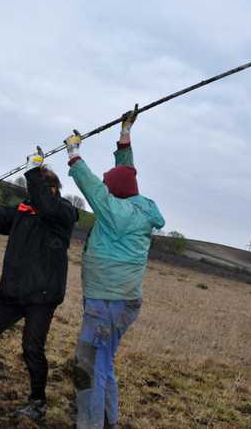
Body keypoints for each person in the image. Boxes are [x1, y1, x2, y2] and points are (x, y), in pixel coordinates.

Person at [0, 150, 79, 422]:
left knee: (32, 348)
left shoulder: (64, 213)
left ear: (53, 190)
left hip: (42, 297)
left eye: (40, 189)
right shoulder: (24, 211)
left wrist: (33, 171)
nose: (34, 194)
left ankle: (38, 402)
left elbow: (47, 206)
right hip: (12, 293)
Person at [63, 105, 165, 429]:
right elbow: (126, 175)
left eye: (109, 188)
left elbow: (92, 186)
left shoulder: (113, 211)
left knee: (88, 366)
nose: (106, 190)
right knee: (104, 363)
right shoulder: (139, 208)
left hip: (105, 304)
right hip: (124, 303)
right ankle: (108, 422)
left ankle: (90, 424)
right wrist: (125, 135)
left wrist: (74, 154)